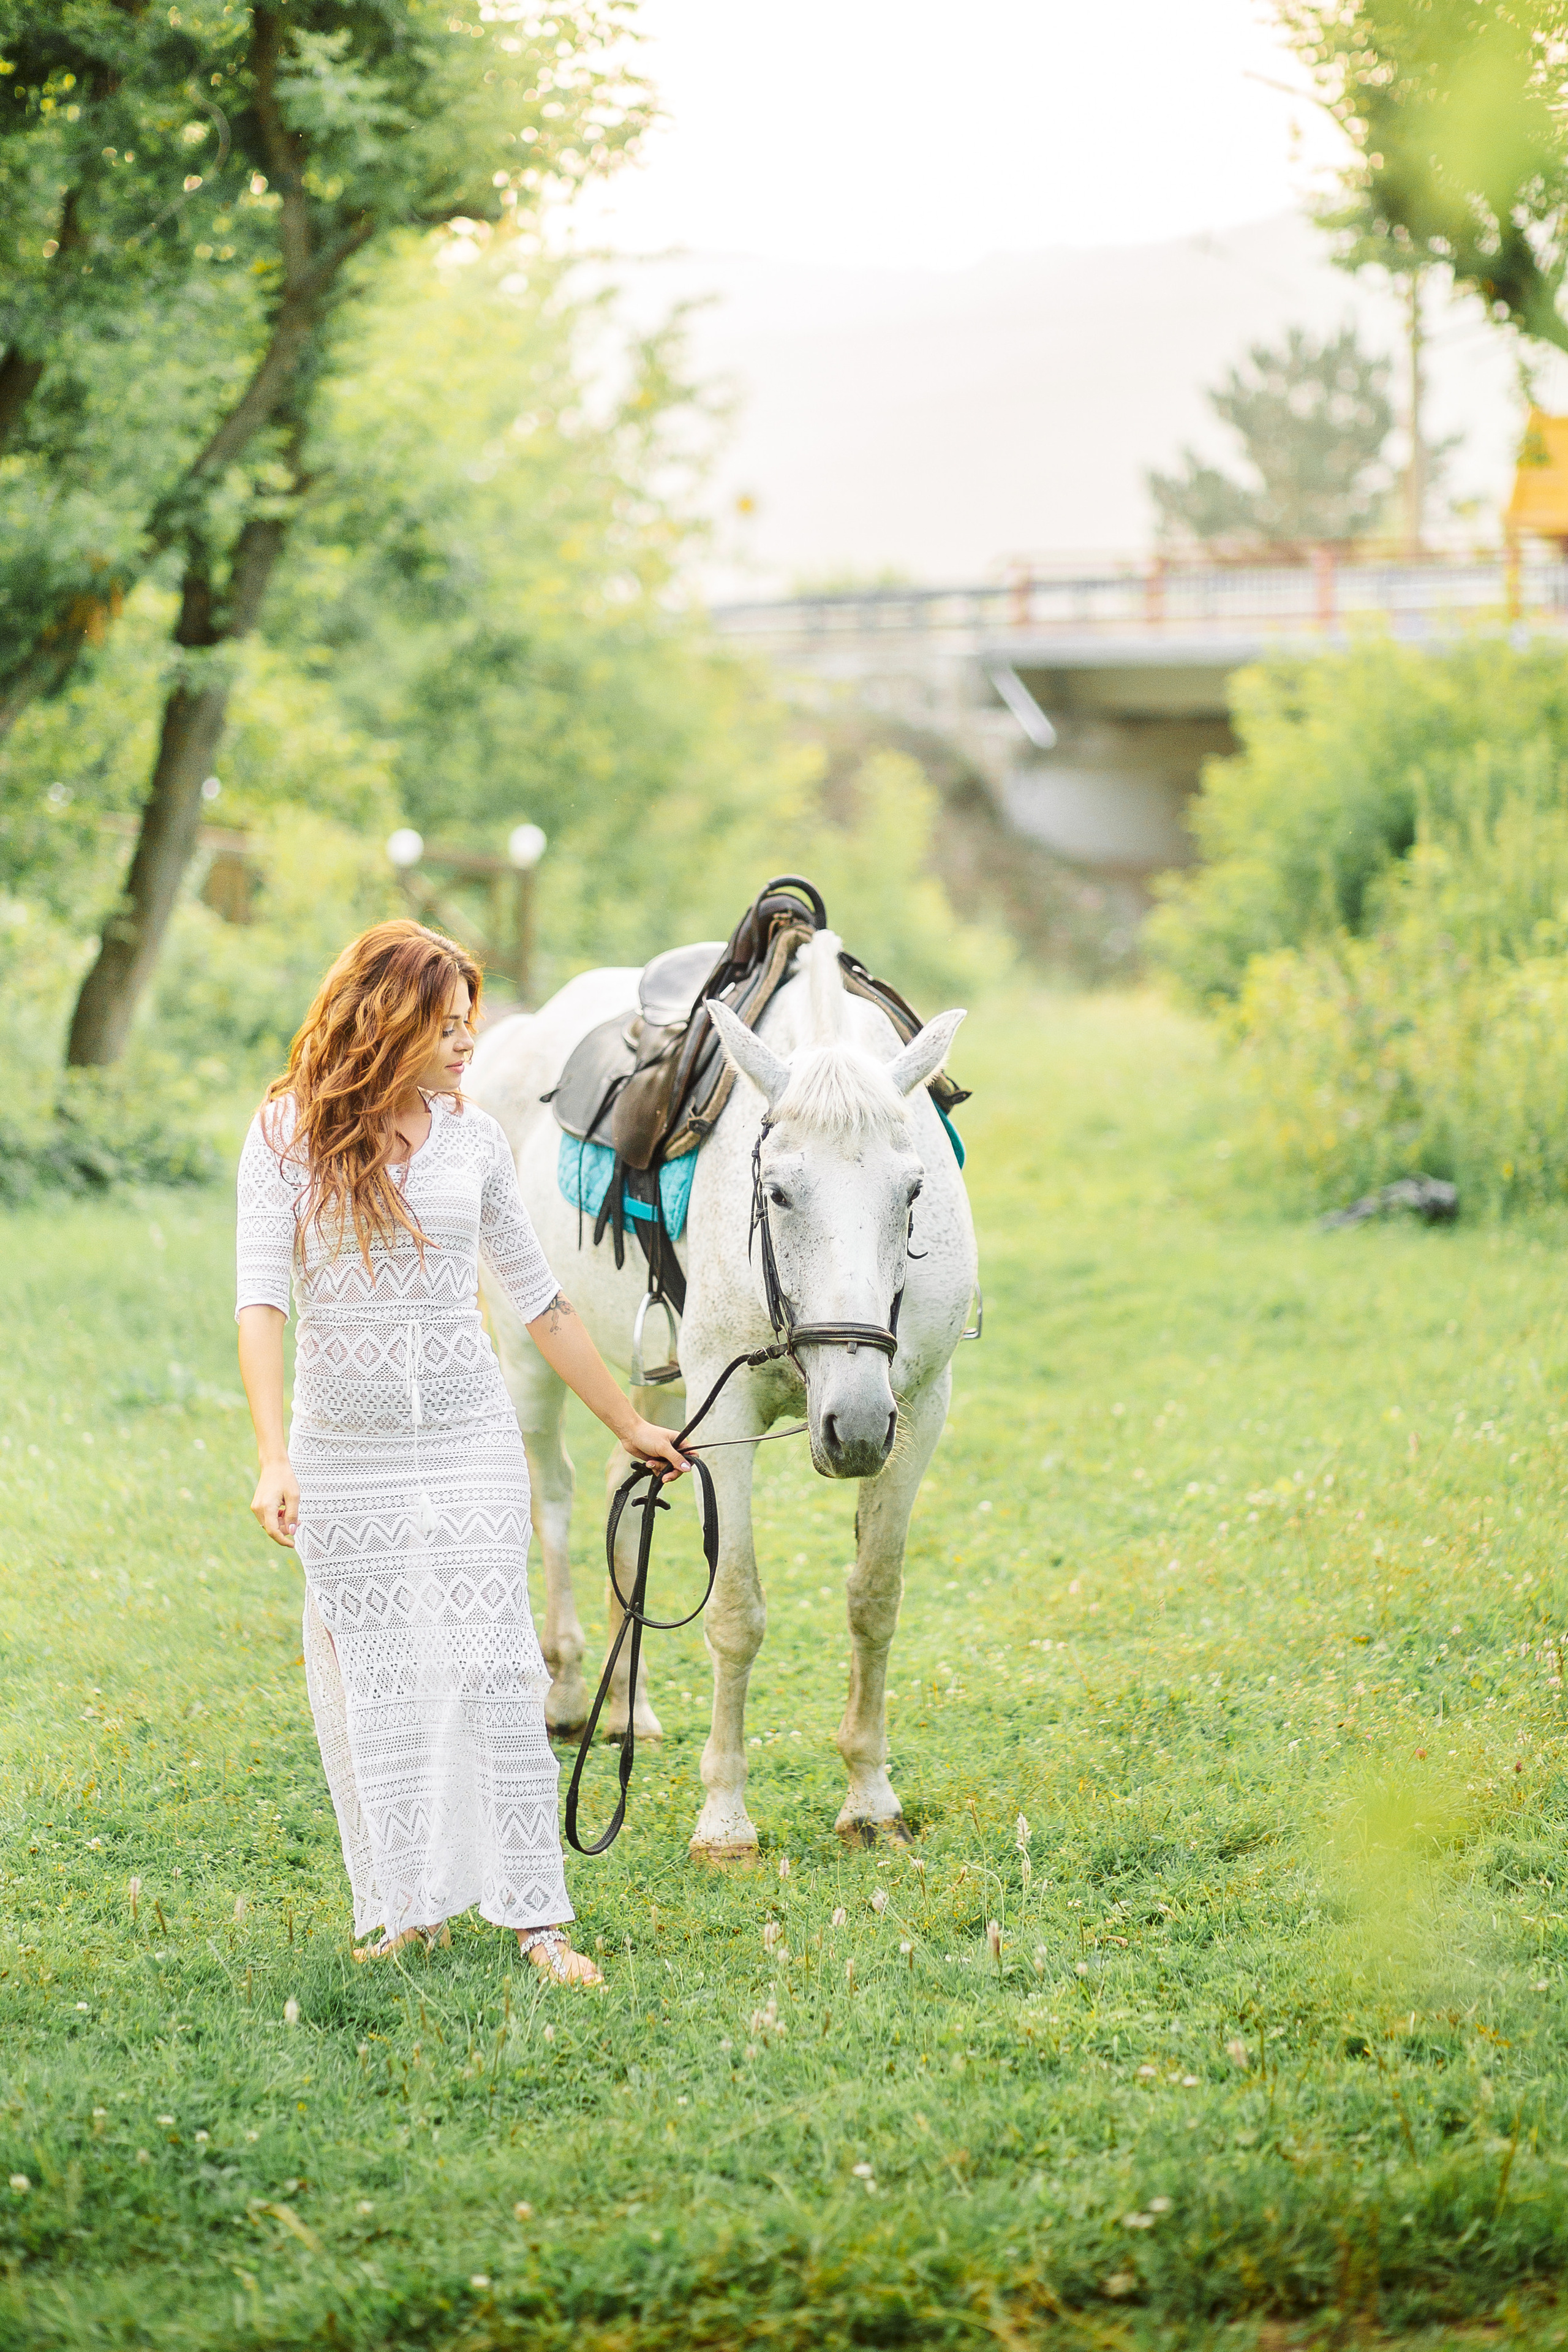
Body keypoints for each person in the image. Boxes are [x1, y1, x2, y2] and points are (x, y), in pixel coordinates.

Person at [235, 919, 688, 1981]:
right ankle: (409, 1907)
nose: (465, 1044)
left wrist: (630, 1426)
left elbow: (542, 1300)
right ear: (386, 1021)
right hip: (342, 1454)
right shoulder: (284, 1135)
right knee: (384, 1681)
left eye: (469, 1025)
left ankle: (538, 1919)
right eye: (446, 1026)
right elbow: (261, 1302)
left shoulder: (475, 1139)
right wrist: (273, 1457)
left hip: (468, 1442)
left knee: (493, 1669)